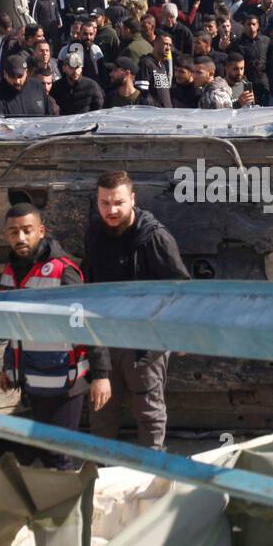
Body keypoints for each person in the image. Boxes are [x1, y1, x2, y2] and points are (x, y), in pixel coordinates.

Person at [83, 172, 190, 450]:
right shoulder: (95, 231)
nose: (111, 210)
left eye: (118, 202)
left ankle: (150, 476)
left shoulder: (154, 238)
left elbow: (180, 287)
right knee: (101, 414)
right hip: (106, 340)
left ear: (133, 199)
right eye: (104, 203)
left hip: (146, 343)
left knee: (149, 414)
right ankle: (101, 478)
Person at [0, 203, 95, 470]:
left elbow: (89, 324)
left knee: (60, 455)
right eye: (14, 232)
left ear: (41, 231)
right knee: (47, 452)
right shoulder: (10, 271)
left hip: (66, 382)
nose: (21, 238)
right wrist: (7, 366)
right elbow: (11, 327)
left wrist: (103, 375)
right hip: (34, 379)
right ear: (6, 235)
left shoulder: (64, 271)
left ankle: (73, 509)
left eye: (27, 231)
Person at [0, 54, 53, 118]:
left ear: (26, 72)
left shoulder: (38, 87)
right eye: (12, 76)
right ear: (5, 74)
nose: (17, 81)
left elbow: (49, 116)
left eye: (20, 76)